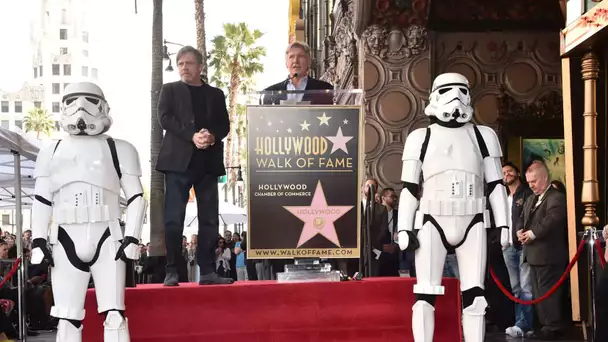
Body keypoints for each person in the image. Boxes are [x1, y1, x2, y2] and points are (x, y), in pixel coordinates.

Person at [156, 45, 233, 286]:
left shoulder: (216, 94)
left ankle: (208, 270)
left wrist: (211, 136)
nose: (183, 67)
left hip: (207, 164)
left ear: (200, 67)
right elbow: (165, 118)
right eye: (180, 64)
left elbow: (225, 125)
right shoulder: (169, 90)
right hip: (178, 163)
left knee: (209, 218)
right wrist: (192, 135)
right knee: (173, 218)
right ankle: (172, 271)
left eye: (189, 63)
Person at [517, 160, 568, 340]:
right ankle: (545, 324)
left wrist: (532, 233)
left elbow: (552, 220)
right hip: (533, 254)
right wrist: (520, 231)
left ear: (545, 177)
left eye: (534, 182)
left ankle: (553, 326)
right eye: (529, 182)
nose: (531, 186)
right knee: (538, 292)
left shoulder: (556, 197)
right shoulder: (531, 198)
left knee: (549, 292)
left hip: (550, 254)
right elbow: (521, 217)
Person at [262, 41, 333, 105]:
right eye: (291, 57)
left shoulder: (324, 89)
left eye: (300, 56)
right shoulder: (271, 92)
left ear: (309, 61)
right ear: (286, 63)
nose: (295, 61)